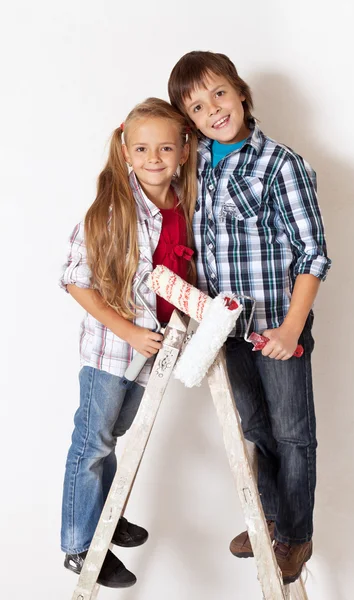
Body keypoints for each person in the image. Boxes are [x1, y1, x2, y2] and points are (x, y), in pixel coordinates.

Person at [168, 51, 331, 584]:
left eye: (218, 93)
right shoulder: (195, 167)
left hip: (278, 327)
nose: (213, 109)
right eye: (196, 106)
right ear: (189, 122)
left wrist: (289, 329)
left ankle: (295, 535)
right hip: (226, 329)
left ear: (240, 92)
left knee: (292, 433)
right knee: (256, 427)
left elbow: (312, 256)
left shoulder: (281, 164)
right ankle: (269, 517)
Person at [59, 97, 197, 588]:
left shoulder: (184, 202)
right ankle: (79, 544)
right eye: (142, 148)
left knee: (112, 437)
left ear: (184, 149)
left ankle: (104, 515)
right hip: (112, 351)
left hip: (152, 353)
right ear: (125, 150)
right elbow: (76, 280)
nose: (154, 158)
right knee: (91, 443)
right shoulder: (114, 209)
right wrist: (129, 331)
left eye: (165, 147)